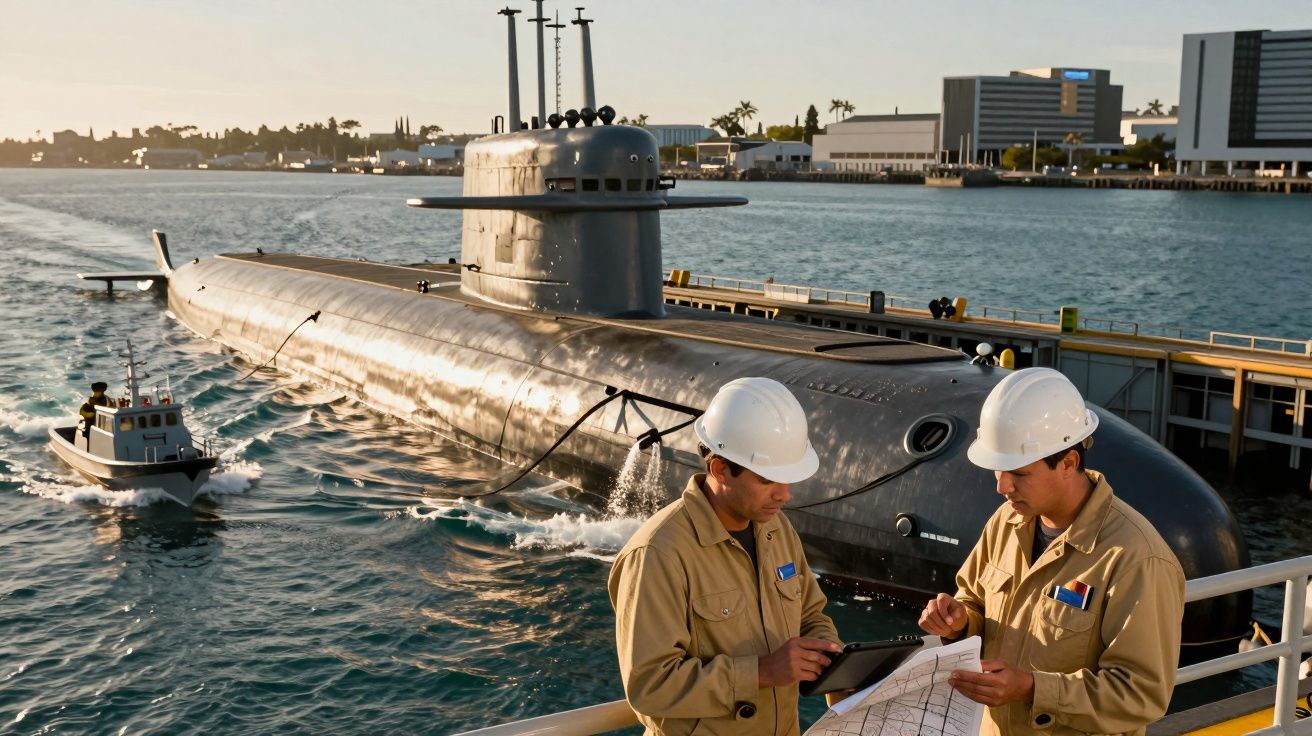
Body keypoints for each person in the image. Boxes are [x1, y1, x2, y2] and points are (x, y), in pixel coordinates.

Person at [919, 367, 1185, 735]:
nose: (1002, 486)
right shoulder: (1006, 522)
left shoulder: (1136, 557)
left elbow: (1142, 694)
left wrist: (1032, 688)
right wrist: (959, 622)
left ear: (1068, 464)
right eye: (998, 470)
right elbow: (975, 601)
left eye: (1020, 473)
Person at [609, 376, 842, 736]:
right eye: (768, 480)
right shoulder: (658, 553)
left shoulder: (777, 529)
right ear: (719, 469)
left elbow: (811, 614)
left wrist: (832, 657)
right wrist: (762, 672)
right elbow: (649, 687)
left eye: (788, 479)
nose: (785, 495)